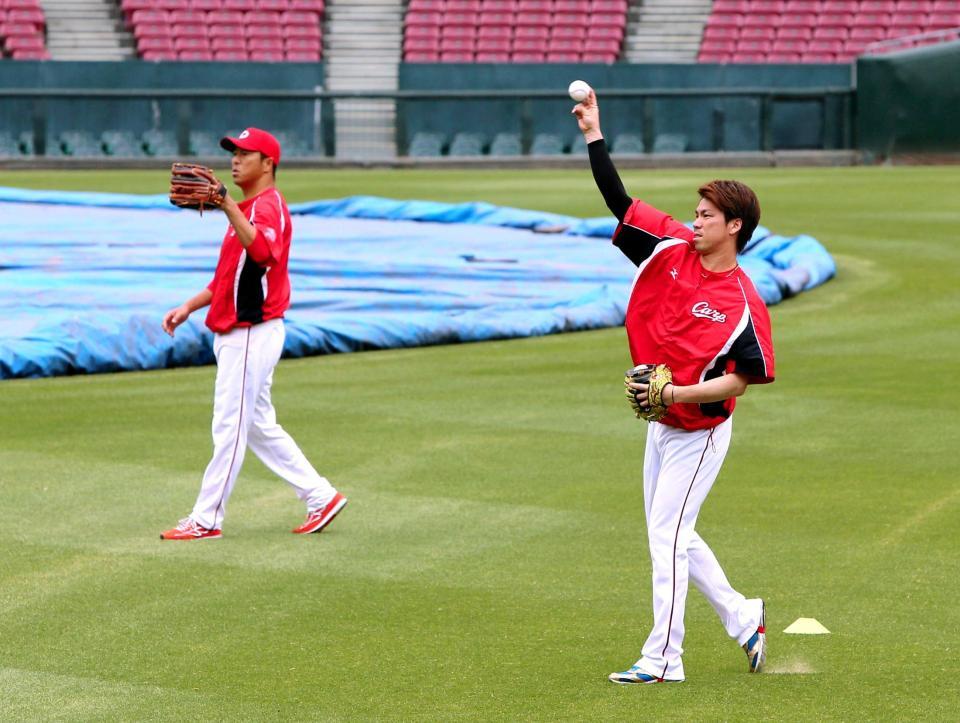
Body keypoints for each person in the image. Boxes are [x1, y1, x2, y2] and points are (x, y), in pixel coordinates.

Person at [572, 91, 774, 683]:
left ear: (734, 227)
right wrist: (593, 134)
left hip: (700, 433)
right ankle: (744, 616)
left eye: (707, 215)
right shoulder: (668, 248)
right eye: (696, 211)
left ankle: (664, 659)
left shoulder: (745, 302)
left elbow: (742, 380)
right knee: (674, 533)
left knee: (667, 535)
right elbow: (619, 200)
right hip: (660, 426)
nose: (696, 220)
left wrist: (678, 395)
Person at [159, 127, 346, 540]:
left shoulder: (267, 206)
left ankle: (206, 519)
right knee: (258, 425)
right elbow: (226, 279)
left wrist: (227, 204)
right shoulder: (247, 211)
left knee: (229, 426)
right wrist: (189, 306)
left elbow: (263, 253)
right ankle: (320, 496)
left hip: (250, 332)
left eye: (246, 153)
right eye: (234, 152)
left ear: (268, 164)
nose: (235, 159)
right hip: (242, 332)